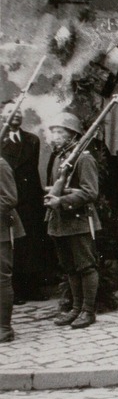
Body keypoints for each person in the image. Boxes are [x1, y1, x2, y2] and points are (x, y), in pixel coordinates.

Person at [43, 112, 101, 329]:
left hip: (78, 221)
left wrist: (62, 200)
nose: (55, 137)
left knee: (85, 266)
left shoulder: (83, 158)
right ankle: (76, 308)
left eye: (60, 132)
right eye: (54, 132)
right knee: (70, 268)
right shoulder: (60, 157)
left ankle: (88, 310)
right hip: (60, 222)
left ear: (72, 135)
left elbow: (90, 192)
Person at [1, 103, 45, 303]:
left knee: (32, 244)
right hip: (8, 200)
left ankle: (33, 288)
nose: (15, 114)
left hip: (29, 200)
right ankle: (16, 291)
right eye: (10, 111)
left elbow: (33, 173)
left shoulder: (32, 140)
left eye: (18, 111)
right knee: (13, 246)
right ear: (2, 116)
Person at [0, 155, 23, 343]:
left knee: (1, 278)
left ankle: (4, 328)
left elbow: (9, 198)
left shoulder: (1, 164)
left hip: (1, 231)